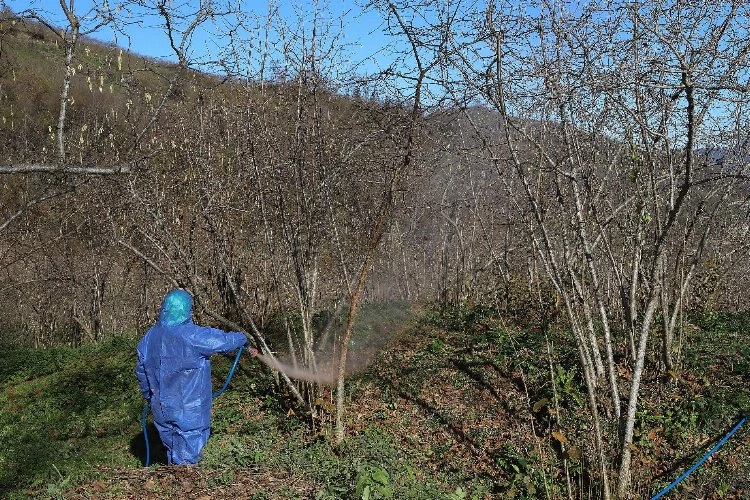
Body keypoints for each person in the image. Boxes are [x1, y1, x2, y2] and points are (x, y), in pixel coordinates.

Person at [135, 288, 256, 465]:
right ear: (186, 310)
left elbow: (141, 371)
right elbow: (222, 341)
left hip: (160, 407)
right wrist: (242, 338)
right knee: (189, 456)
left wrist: (149, 395)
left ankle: (173, 476)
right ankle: (183, 479)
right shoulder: (193, 335)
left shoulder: (149, 337)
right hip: (189, 408)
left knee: (172, 446)